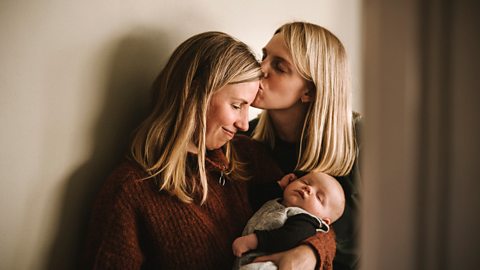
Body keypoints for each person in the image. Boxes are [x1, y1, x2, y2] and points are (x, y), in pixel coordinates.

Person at [83, 31, 336, 269]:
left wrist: (311, 252)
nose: (245, 124)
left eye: (249, 108)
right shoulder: (129, 191)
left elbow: (313, 218)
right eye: (237, 106)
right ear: (195, 94)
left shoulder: (247, 156)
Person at [244, 22, 361, 270]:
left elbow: (375, 238)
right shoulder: (247, 139)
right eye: (264, 56)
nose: (259, 69)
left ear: (309, 91)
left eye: (279, 66)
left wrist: (312, 253)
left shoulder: (361, 139)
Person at [233, 171, 345, 270]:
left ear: (324, 221)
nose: (308, 188)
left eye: (319, 197)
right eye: (305, 182)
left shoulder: (306, 221)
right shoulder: (277, 201)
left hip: (271, 264)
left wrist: (255, 241)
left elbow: (287, 237)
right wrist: (280, 185)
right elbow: (253, 197)